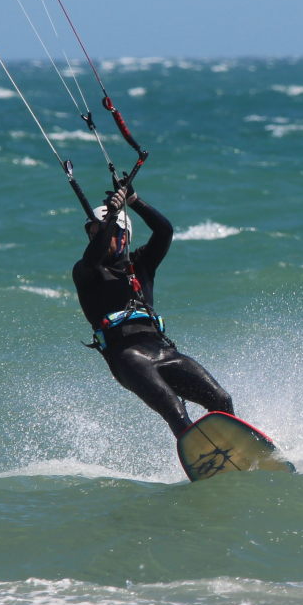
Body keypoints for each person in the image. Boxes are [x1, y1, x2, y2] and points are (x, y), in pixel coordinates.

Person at [73, 185, 234, 437]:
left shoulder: (141, 264)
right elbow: (93, 256)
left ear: (125, 236)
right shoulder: (86, 272)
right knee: (176, 411)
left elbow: (164, 231)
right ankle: (204, 453)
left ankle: (236, 445)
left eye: (107, 233)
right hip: (126, 356)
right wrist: (111, 217)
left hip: (162, 350)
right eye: (93, 235)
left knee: (221, 399)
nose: (99, 239)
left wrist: (133, 200)